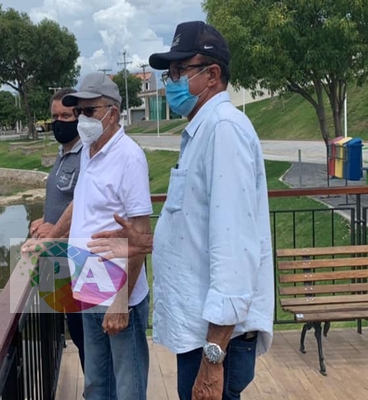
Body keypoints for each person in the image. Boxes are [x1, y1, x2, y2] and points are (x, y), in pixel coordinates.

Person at [88, 21, 274, 400]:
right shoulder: (202, 132)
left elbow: (235, 251)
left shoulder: (224, 130)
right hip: (202, 336)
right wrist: (148, 240)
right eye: (167, 71)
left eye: (178, 70)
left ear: (212, 75)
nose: (170, 80)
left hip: (218, 342)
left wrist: (213, 358)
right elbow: (202, 230)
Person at [46, 72, 153, 400]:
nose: (82, 120)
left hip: (120, 290)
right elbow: (82, 204)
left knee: (127, 384)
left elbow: (140, 234)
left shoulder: (129, 158)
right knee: (95, 381)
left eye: (89, 111)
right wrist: (51, 238)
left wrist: (122, 300)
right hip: (88, 280)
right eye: (79, 112)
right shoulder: (90, 152)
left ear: (113, 114)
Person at [28, 88, 86, 372]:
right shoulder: (62, 154)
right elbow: (60, 198)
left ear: (79, 117)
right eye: (54, 117)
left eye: (66, 115)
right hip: (58, 257)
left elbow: (85, 205)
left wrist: (55, 230)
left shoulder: (86, 154)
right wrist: (44, 220)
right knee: (73, 329)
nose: (59, 122)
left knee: (89, 336)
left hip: (79, 259)